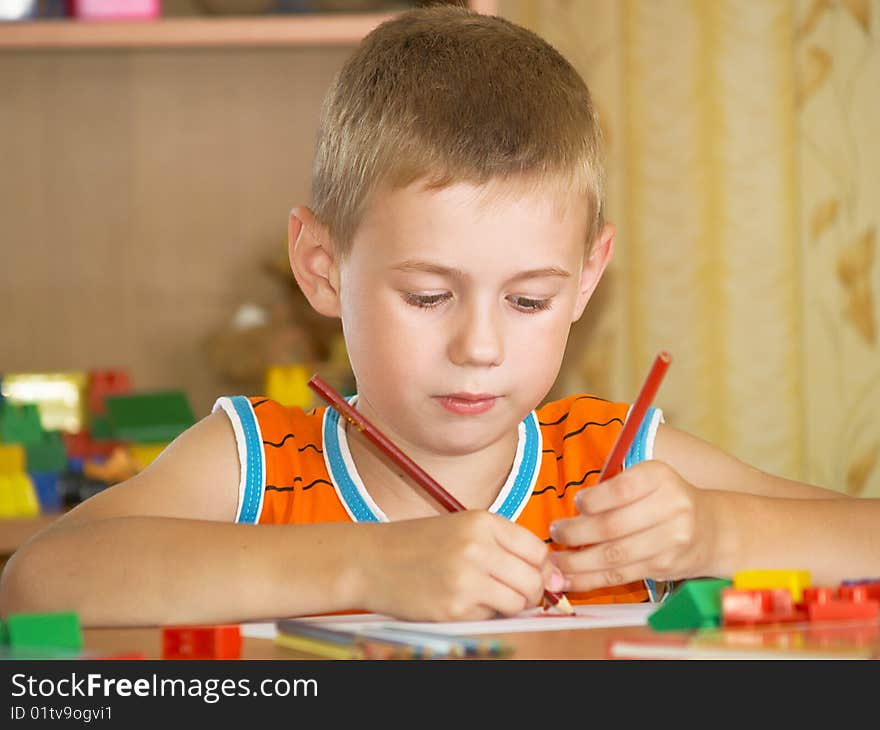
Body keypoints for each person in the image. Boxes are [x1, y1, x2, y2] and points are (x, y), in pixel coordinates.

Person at [1, 5, 875, 629]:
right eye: (428, 296)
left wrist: (714, 532)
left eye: (529, 299)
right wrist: (366, 565)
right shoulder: (254, 467)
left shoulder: (615, 464)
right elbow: (37, 582)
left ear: (586, 278)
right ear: (323, 268)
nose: (480, 346)